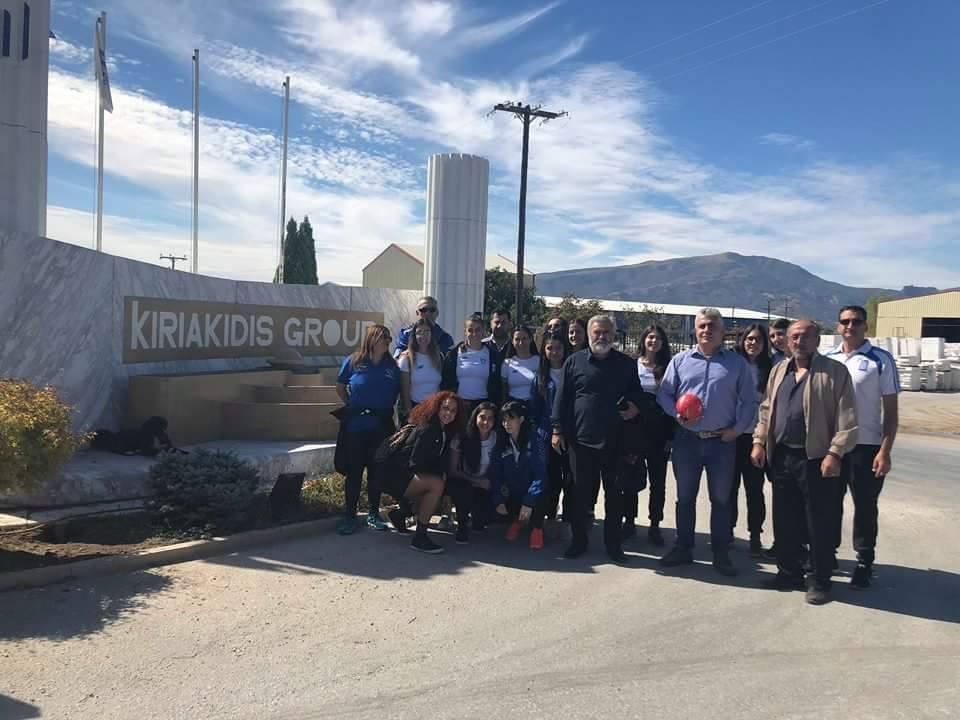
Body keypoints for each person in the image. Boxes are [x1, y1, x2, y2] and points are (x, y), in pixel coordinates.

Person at [752, 320, 858, 605]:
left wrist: (835, 453)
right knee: (785, 520)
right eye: (795, 337)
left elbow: (847, 418)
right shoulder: (779, 370)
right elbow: (766, 409)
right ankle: (788, 573)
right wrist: (759, 441)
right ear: (788, 341)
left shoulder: (835, 372)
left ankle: (820, 580)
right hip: (782, 456)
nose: (800, 341)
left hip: (817, 459)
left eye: (806, 336)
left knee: (818, 522)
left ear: (817, 341)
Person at [657, 308, 757, 577]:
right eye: (702, 326)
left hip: (721, 442)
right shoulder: (680, 361)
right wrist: (675, 414)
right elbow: (664, 394)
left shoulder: (737, 364)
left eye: (712, 326)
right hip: (687, 440)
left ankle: (721, 553)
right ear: (695, 330)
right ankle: (683, 547)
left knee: (721, 500)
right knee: (685, 497)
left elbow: (749, 401)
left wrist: (737, 430)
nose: (706, 330)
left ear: (722, 332)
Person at [551, 315, 644, 562]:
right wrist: (557, 430)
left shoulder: (626, 364)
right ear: (589, 334)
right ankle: (578, 542)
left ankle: (613, 545)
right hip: (580, 441)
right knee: (579, 494)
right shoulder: (574, 361)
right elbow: (562, 398)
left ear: (613, 335)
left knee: (614, 495)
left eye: (606, 332)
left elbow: (637, 394)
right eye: (597, 332)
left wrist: (635, 407)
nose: (601, 336)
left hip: (615, 441)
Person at [825, 305, 899, 590]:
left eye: (856, 321)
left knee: (865, 507)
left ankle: (864, 561)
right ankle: (828, 554)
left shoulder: (880, 360)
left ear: (865, 326)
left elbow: (890, 412)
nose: (850, 326)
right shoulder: (827, 358)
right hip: (833, 447)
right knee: (829, 503)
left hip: (866, 446)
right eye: (845, 321)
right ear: (838, 326)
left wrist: (885, 451)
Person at [335, 324, 400, 535]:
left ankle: (373, 513)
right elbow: (340, 387)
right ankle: (350, 516)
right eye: (383, 338)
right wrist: (352, 405)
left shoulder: (392, 366)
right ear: (372, 339)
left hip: (381, 427)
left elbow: (397, 394)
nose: (387, 342)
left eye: (389, 338)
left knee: (376, 471)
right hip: (356, 427)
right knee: (354, 472)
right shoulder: (353, 361)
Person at [381, 391, 466, 554]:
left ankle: (400, 515)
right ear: (437, 408)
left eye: (453, 410)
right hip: (396, 477)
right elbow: (416, 462)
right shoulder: (429, 429)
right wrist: (438, 476)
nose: (448, 413)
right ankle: (420, 537)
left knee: (438, 486)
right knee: (436, 485)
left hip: (408, 477)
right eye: (445, 408)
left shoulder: (444, 430)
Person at [621, 324, 674, 546]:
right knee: (630, 478)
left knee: (658, 482)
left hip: (659, 432)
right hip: (634, 431)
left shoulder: (669, 368)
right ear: (643, 340)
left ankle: (654, 524)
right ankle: (629, 521)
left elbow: (672, 402)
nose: (654, 341)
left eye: (658, 338)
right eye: (650, 337)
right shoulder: (632, 365)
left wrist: (671, 435)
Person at [729, 324, 773, 556]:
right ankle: (727, 531)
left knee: (754, 490)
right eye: (749, 339)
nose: (753, 343)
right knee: (729, 488)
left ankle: (755, 535)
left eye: (758, 339)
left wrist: (762, 440)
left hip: (756, 437)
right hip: (731, 434)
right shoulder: (733, 363)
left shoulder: (771, 368)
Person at [529, 330, 570, 526]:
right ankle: (550, 514)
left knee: (570, 478)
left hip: (570, 434)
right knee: (551, 477)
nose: (554, 352)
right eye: (549, 348)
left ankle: (570, 516)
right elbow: (535, 410)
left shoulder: (572, 373)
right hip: (546, 436)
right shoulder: (539, 378)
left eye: (558, 348)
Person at [491, 401, 546, 550]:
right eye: (504, 420)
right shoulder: (501, 442)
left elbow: (540, 474)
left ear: (521, 419)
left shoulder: (535, 440)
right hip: (512, 491)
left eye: (511, 419)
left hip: (530, 491)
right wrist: (498, 499)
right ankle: (516, 520)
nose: (506, 423)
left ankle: (537, 528)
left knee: (542, 494)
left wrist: (529, 501)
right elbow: (495, 474)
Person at [446, 402, 500, 543]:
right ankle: (462, 525)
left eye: (490, 418)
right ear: (475, 417)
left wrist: (488, 482)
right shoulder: (461, 438)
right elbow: (453, 470)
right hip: (464, 481)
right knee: (462, 490)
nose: (485, 422)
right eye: (482, 417)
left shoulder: (496, 438)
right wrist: (476, 481)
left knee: (484, 521)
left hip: (486, 484)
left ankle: (478, 517)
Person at [440, 314, 502, 413]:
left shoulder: (492, 355)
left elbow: (497, 382)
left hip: (483, 405)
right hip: (460, 404)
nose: (474, 333)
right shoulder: (454, 353)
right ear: (465, 331)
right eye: (470, 330)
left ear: (483, 331)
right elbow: (446, 380)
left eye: (478, 330)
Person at [397, 319, 442, 423]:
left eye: (427, 331)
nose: (423, 335)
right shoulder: (406, 359)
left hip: (434, 410)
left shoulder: (438, 357)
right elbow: (405, 392)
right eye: (419, 332)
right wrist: (410, 413)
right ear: (414, 336)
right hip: (416, 409)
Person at [501, 325, 540, 404]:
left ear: (531, 339)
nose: (521, 343)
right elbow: (504, 389)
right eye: (517, 339)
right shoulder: (507, 363)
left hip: (535, 405)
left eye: (524, 338)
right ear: (512, 341)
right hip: (514, 405)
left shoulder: (539, 361)